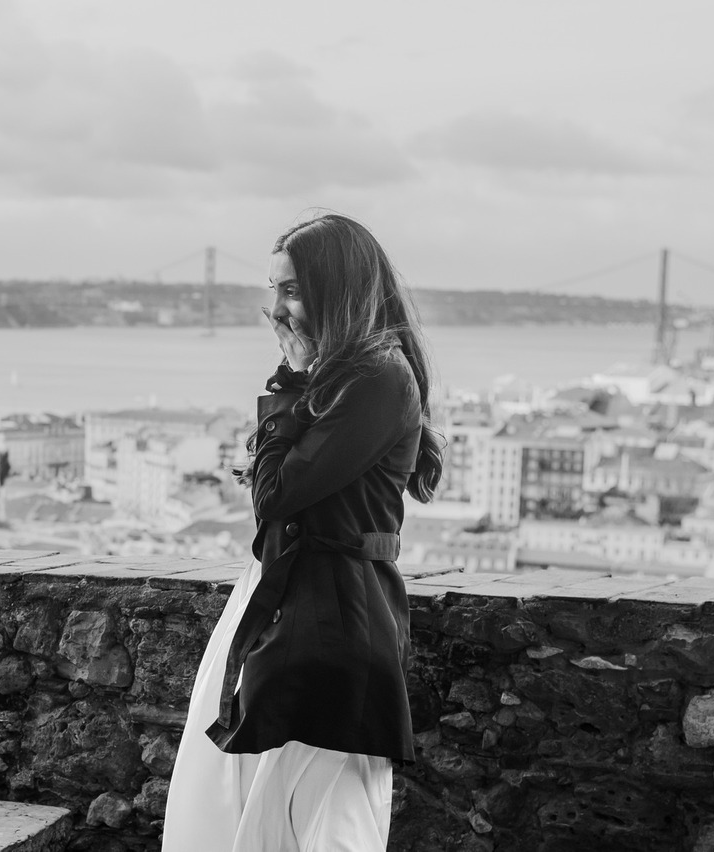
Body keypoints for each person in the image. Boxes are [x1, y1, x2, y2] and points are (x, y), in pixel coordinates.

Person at [163, 213, 444, 851]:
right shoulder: (348, 376)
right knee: (245, 802)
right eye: (274, 290)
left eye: (291, 291)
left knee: (319, 816)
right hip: (294, 601)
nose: (275, 310)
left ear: (338, 290)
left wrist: (285, 389)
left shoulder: (376, 377)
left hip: (333, 612)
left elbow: (278, 496)